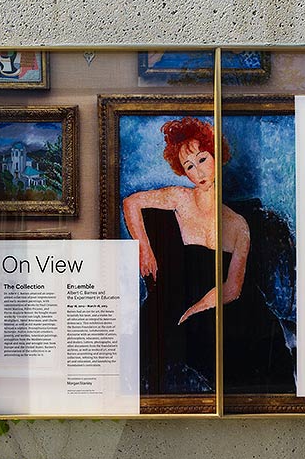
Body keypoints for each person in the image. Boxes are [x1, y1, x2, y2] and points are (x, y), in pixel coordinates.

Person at [122, 117, 294, 396]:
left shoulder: (238, 224)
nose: (198, 171)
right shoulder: (179, 198)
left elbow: (233, 288)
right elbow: (131, 203)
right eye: (189, 166)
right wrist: (144, 249)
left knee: (260, 350)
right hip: (177, 291)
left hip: (220, 301)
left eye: (202, 159)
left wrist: (198, 308)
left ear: (216, 156)